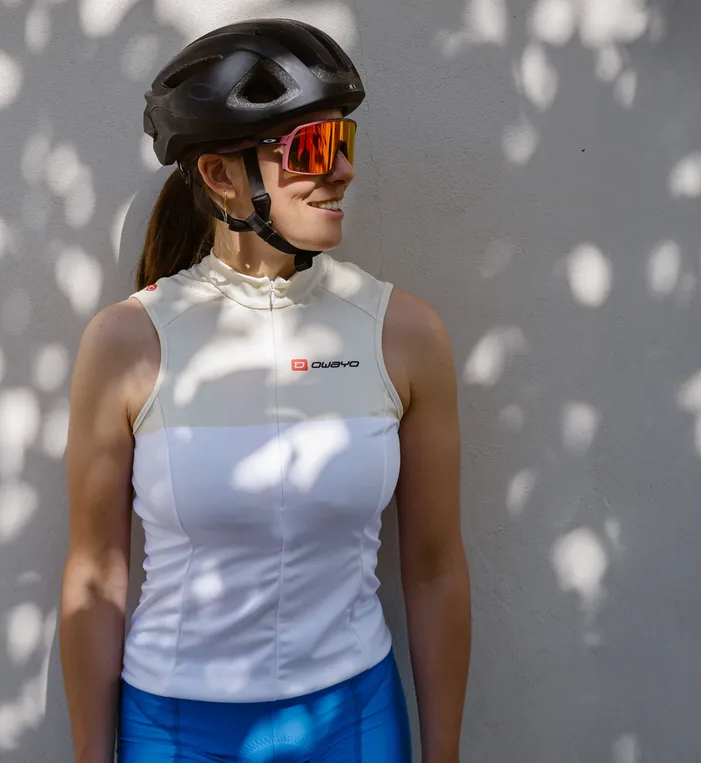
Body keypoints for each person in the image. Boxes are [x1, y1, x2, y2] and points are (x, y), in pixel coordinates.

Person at [59, 18, 471, 763]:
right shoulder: (127, 342)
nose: (342, 172)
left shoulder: (405, 333)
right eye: (314, 147)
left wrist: (444, 755)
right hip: (176, 731)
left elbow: (437, 566)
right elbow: (95, 572)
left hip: (353, 722)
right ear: (222, 176)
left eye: (344, 142)